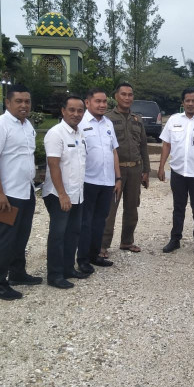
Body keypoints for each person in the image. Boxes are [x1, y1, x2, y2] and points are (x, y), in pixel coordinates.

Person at [0, 84, 42, 300]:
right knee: (6, 238)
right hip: (7, 194)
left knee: (22, 235)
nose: (24, 105)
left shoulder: (27, 125)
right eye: (18, 101)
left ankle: (18, 273)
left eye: (27, 101)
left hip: (26, 191)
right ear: (8, 103)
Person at [157, 88, 194, 255]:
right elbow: (166, 144)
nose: (190, 103)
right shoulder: (174, 120)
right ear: (182, 102)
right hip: (178, 173)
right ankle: (175, 239)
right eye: (187, 101)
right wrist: (161, 166)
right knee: (178, 207)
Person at [42, 95, 88, 289]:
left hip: (77, 194)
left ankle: (68, 268)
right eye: (72, 110)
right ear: (63, 111)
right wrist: (62, 194)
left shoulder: (80, 134)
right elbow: (54, 166)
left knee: (73, 233)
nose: (76, 114)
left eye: (80, 111)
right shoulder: (56, 134)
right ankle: (54, 275)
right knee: (58, 235)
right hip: (58, 194)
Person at [102, 82, 150, 256]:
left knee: (132, 208)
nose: (127, 98)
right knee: (110, 210)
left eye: (130, 95)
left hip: (135, 170)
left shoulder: (137, 119)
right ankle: (103, 245)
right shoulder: (106, 118)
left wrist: (146, 171)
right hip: (115, 171)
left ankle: (127, 241)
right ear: (116, 96)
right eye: (123, 94)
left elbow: (143, 146)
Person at [77, 88, 121, 274]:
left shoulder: (108, 124)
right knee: (85, 222)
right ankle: (83, 259)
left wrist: (118, 177)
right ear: (88, 103)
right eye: (98, 101)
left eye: (104, 101)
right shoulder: (80, 123)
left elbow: (114, 151)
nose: (102, 105)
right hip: (88, 180)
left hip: (107, 181)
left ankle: (95, 255)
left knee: (100, 221)